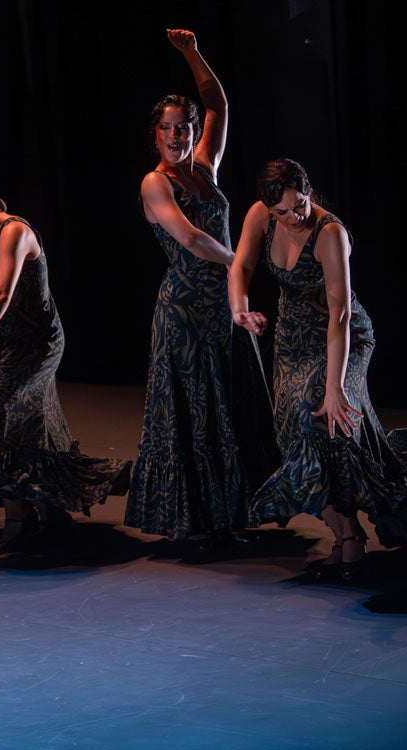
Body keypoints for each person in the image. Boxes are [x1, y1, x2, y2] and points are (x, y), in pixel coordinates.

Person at [228, 159, 407, 581]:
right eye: (285, 212)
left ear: (309, 191)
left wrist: (333, 387)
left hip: (342, 337)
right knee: (293, 430)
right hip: (293, 340)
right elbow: (241, 266)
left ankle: (367, 523)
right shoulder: (260, 216)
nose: (296, 216)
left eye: (301, 204)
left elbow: (340, 315)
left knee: (324, 416)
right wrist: (240, 310)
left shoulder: (330, 234)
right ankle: (346, 532)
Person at [123, 29, 280, 551]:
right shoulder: (155, 182)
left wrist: (192, 54)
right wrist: (243, 260)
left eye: (183, 127)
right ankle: (192, 517)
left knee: (230, 406)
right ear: (156, 135)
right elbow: (190, 238)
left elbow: (218, 102)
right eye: (166, 128)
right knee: (195, 407)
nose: (176, 135)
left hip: (225, 307)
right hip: (186, 311)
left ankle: (230, 512)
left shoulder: (207, 168)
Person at [0, 185, 132, 554]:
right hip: (11, 342)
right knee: (23, 427)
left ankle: (20, 516)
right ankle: (46, 513)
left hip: (40, 342)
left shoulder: (14, 231)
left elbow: (0, 293)